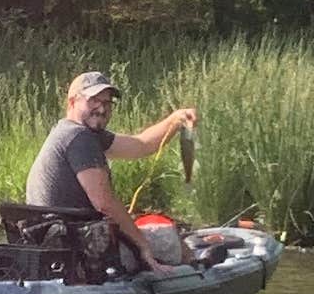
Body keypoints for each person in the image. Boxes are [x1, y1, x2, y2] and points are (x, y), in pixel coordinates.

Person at [22, 68, 201, 270]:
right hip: (79, 247)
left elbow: (140, 145)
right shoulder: (80, 138)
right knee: (173, 239)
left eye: (107, 102)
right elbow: (104, 203)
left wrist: (175, 120)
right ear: (72, 102)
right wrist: (142, 246)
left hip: (61, 242)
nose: (101, 108)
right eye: (93, 101)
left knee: (144, 229)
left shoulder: (72, 132)